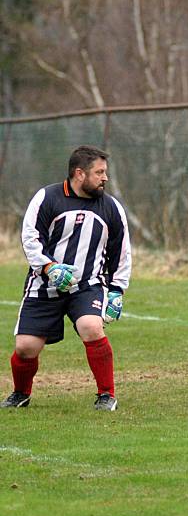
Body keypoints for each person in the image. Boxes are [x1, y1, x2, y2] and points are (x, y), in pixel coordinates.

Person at [1, 145, 131, 411]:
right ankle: (20, 393)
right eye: (100, 172)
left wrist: (117, 290)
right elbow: (30, 239)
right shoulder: (47, 198)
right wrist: (49, 268)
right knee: (25, 348)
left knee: (92, 328)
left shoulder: (111, 207)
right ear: (79, 173)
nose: (105, 178)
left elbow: (121, 250)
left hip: (87, 286)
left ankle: (106, 395)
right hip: (44, 284)